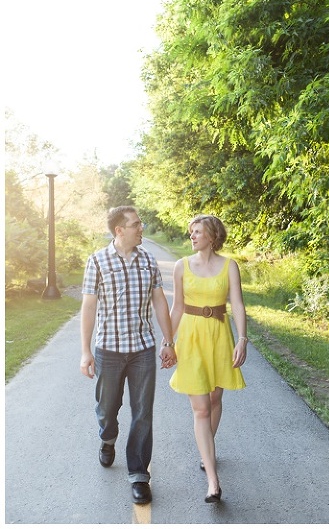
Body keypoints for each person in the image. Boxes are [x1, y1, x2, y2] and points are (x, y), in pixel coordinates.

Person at [80, 206, 176, 505]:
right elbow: (89, 307)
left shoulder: (147, 259)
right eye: (136, 224)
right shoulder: (97, 260)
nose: (141, 228)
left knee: (142, 412)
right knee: (107, 408)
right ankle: (108, 438)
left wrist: (169, 341)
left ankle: (139, 475)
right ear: (119, 230)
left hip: (142, 349)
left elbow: (159, 301)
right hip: (108, 349)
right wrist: (85, 351)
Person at [168, 214, 247, 503]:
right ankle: (213, 481)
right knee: (201, 409)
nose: (192, 236)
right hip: (190, 338)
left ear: (212, 236)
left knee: (214, 400)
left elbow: (237, 304)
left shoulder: (229, 266)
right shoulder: (181, 266)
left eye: (198, 231)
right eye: (191, 232)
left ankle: (207, 452)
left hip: (219, 337)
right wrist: (168, 342)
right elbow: (177, 308)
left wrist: (242, 339)